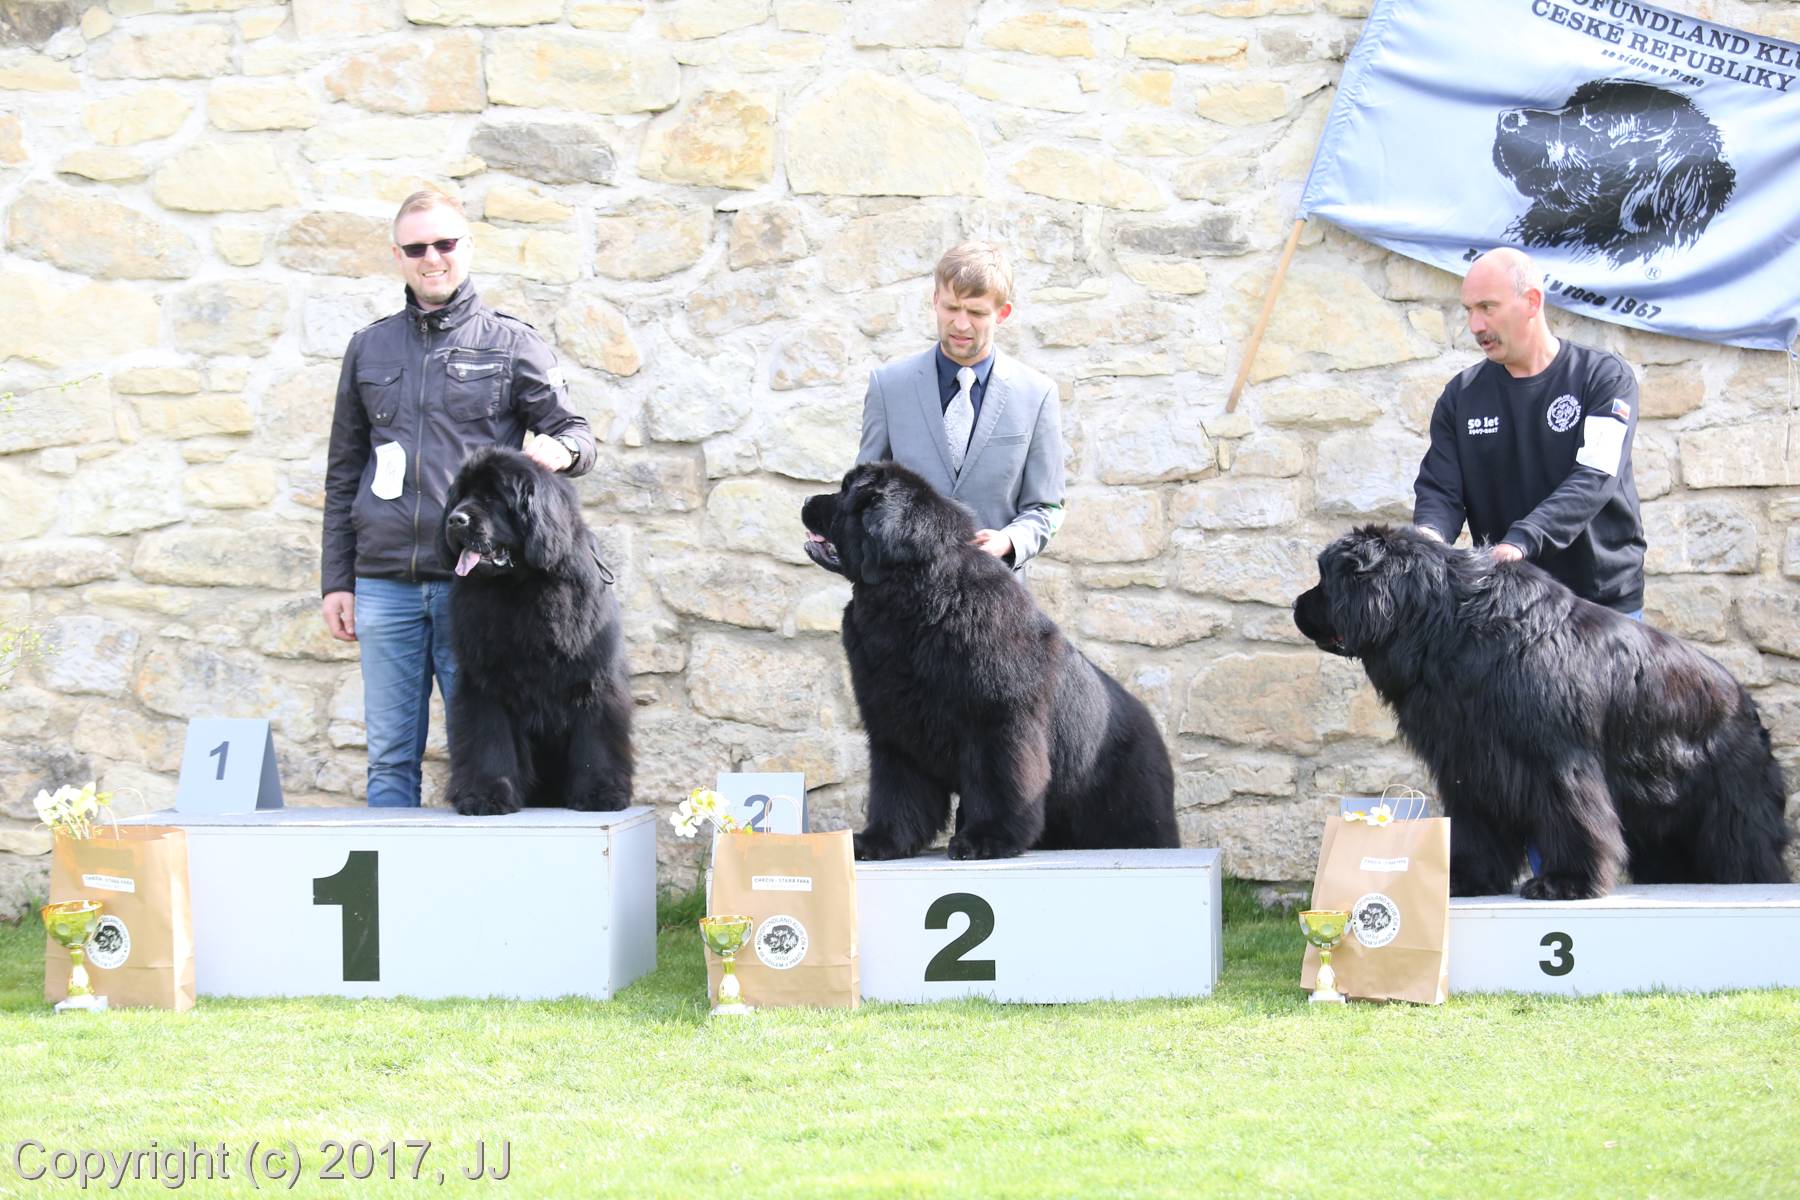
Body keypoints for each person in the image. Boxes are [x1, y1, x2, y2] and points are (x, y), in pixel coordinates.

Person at [320, 188, 595, 807]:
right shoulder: (368, 347)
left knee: (485, 755)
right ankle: (392, 870)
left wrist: (562, 452)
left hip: (474, 586)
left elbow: (576, 433)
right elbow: (344, 472)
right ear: (397, 256)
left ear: (466, 247)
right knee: (389, 755)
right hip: (383, 582)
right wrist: (337, 580)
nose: (432, 258)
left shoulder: (512, 343)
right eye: (416, 248)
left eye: (444, 243)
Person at [1412, 246, 1646, 617]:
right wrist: (1428, 537)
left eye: (1487, 307)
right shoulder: (1461, 396)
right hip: (1509, 604)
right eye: (1469, 310)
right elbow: (1441, 489)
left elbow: (1595, 476)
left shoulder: (1603, 378)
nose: (1475, 325)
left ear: (1532, 301)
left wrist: (1523, 540)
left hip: (1599, 606)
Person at [855, 241, 1065, 574]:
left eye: (977, 313)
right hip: (901, 595)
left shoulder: (1037, 395)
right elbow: (862, 493)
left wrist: (1010, 540)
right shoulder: (888, 386)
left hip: (994, 596)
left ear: (1003, 313)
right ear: (935, 300)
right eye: (951, 308)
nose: (961, 324)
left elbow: (1049, 508)